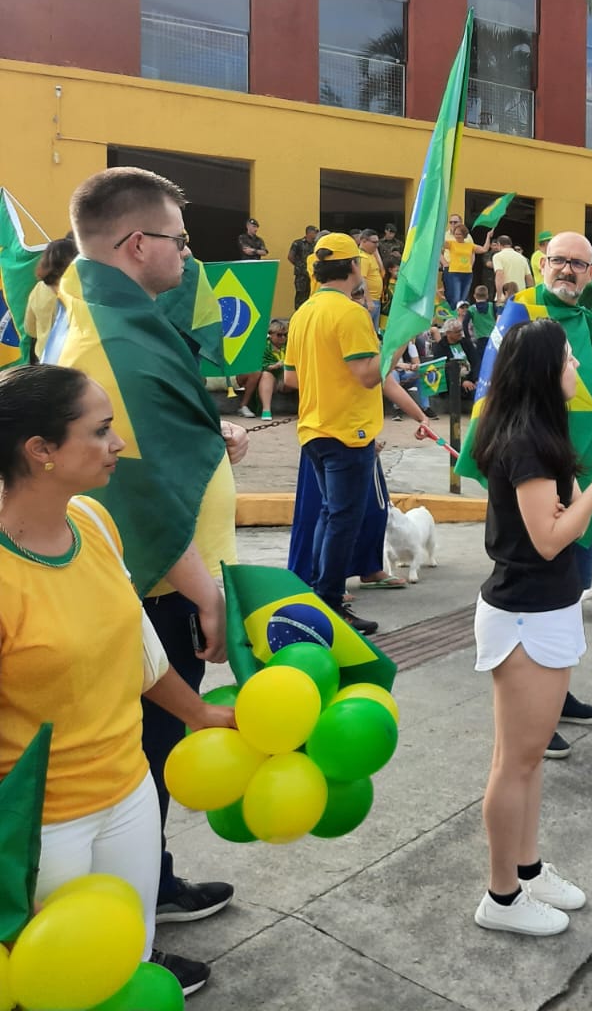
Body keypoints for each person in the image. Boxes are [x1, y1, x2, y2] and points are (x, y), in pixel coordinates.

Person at [54, 167, 249, 991]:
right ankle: (124, 936)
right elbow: (131, 488)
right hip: (161, 591)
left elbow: (158, 440)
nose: (186, 252)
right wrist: (204, 590)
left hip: (168, 584)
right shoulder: (110, 344)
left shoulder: (119, 323)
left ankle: (155, 884)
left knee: (151, 763)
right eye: (178, 239)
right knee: (140, 766)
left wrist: (215, 441)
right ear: (137, 245)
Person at [0, 365, 238, 996]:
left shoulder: (96, 525)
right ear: (41, 451)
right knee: (59, 987)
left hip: (129, 793)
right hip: (40, 831)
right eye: (101, 431)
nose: (119, 444)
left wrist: (202, 714)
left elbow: (138, 652)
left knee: (131, 959)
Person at [469, 319, 592, 936]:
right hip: (525, 613)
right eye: (568, 359)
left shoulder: (536, 433)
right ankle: (502, 897)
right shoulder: (528, 443)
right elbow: (548, 540)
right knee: (515, 762)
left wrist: (587, 479)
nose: (576, 368)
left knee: (528, 758)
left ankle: (528, 869)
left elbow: (548, 516)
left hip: (543, 608)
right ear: (543, 371)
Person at [508, 232, 592, 755]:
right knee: (537, 603)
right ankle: (534, 716)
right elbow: (502, 392)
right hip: (538, 480)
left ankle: (557, 696)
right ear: (543, 263)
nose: (569, 272)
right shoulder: (525, 312)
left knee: (567, 597)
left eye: (580, 264)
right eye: (560, 261)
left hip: (582, 479)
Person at [282, 233, 427, 635]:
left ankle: (319, 595)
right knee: (342, 519)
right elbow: (368, 376)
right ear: (353, 268)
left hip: (314, 429)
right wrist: (395, 348)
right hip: (348, 431)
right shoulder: (350, 314)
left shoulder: (303, 313)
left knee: (331, 515)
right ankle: (329, 603)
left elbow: (291, 378)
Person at [23, 236, 77, 357]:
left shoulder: (38, 288)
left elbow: (30, 328)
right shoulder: (75, 291)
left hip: (44, 356)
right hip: (69, 356)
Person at [236, 317, 288, 421]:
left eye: (285, 335)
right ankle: (266, 410)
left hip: (286, 377)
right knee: (265, 374)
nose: (283, 338)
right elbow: (256, 363)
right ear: (270, 334)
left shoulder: (290, 345)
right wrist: (273, 366)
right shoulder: (261, 345)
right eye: (279, 335)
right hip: (268, 377)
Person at [441, 222, 488, 309]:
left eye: (459, 234)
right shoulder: (451, 243)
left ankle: (461, 318)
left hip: (467, 274)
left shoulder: (470, 245)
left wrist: (488, 236)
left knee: (463, 299)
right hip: (454, 273)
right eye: (455, 234)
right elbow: (438, 244)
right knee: (456, 298)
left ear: (464, 234)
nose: (457, 236)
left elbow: (484, 249)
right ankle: (454, 316)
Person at [492, 234, 534, 301]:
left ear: (499, 244)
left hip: (506, 296)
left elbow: (499, 274)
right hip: (521, 297)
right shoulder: (522, 258)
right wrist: (531, 297)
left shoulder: (497, 256)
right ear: (510, 244)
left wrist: (499, 296)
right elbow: (529, 278)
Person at [357, 231, 385, 331]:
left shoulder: (371, 255)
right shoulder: (362, 257)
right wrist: (368, 300)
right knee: (368, 331)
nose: (377, 245)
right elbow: (361, 279)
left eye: (378, 242)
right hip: (368, 301)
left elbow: (382, 271)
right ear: (364, 241)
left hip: (376, 300)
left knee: (374, 332)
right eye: (374, 242)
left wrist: (376, 252)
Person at [287, 224, 319, 308]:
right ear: (309, 233)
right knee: (300, 296)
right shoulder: (298, 243)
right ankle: (298, 316)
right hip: (301, 275)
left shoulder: (316, 244)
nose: (316, 234)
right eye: (314, 232)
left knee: (311, 296)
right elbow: (290, 256)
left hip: (312, 275)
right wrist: (299, 266)